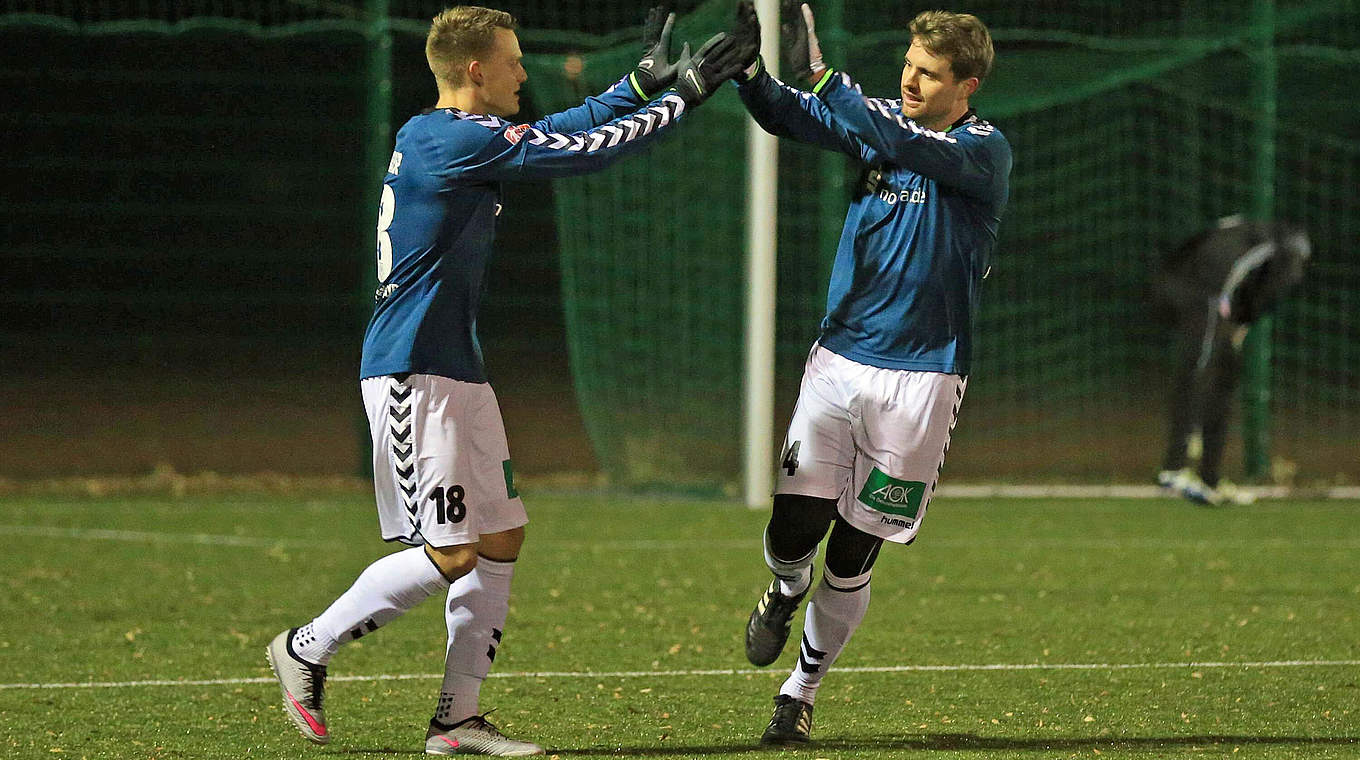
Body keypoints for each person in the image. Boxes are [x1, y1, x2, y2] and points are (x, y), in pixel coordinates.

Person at [264, 6, 755, 756]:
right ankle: (307, 645)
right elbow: (584, 152)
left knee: (499, 537)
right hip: (411, 373)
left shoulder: (460, 136)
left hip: (455, 370)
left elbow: (568, 128)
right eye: (514, 61)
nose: (524, 74)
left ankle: (456, 722)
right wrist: (682, 94)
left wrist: (639, 83)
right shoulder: (445, 138)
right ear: (475, 70)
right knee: (453, 551)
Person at [728, 0, 1011, 745]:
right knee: (795, 528)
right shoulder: (881, 114)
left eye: (930, 73)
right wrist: (748, 71)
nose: (911, 82)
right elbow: (789, 115)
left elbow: (899, 139)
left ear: (968, 85)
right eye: (909, 67)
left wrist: (822, 73)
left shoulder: (984, 151)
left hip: (922, 383)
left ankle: (800, 693)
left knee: (854, 548)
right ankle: (784, 589)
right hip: (838, 361)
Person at [1154, 215, 1310, 506]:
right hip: (1204, 297)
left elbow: (1195, 245)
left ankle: (1208, 478)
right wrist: (1240, 322)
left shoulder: (1244, 227)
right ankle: (1173, 469)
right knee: (1196, 374)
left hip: (1189, 289)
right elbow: (1272, 288)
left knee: (1223, 376)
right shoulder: (1284, 250)